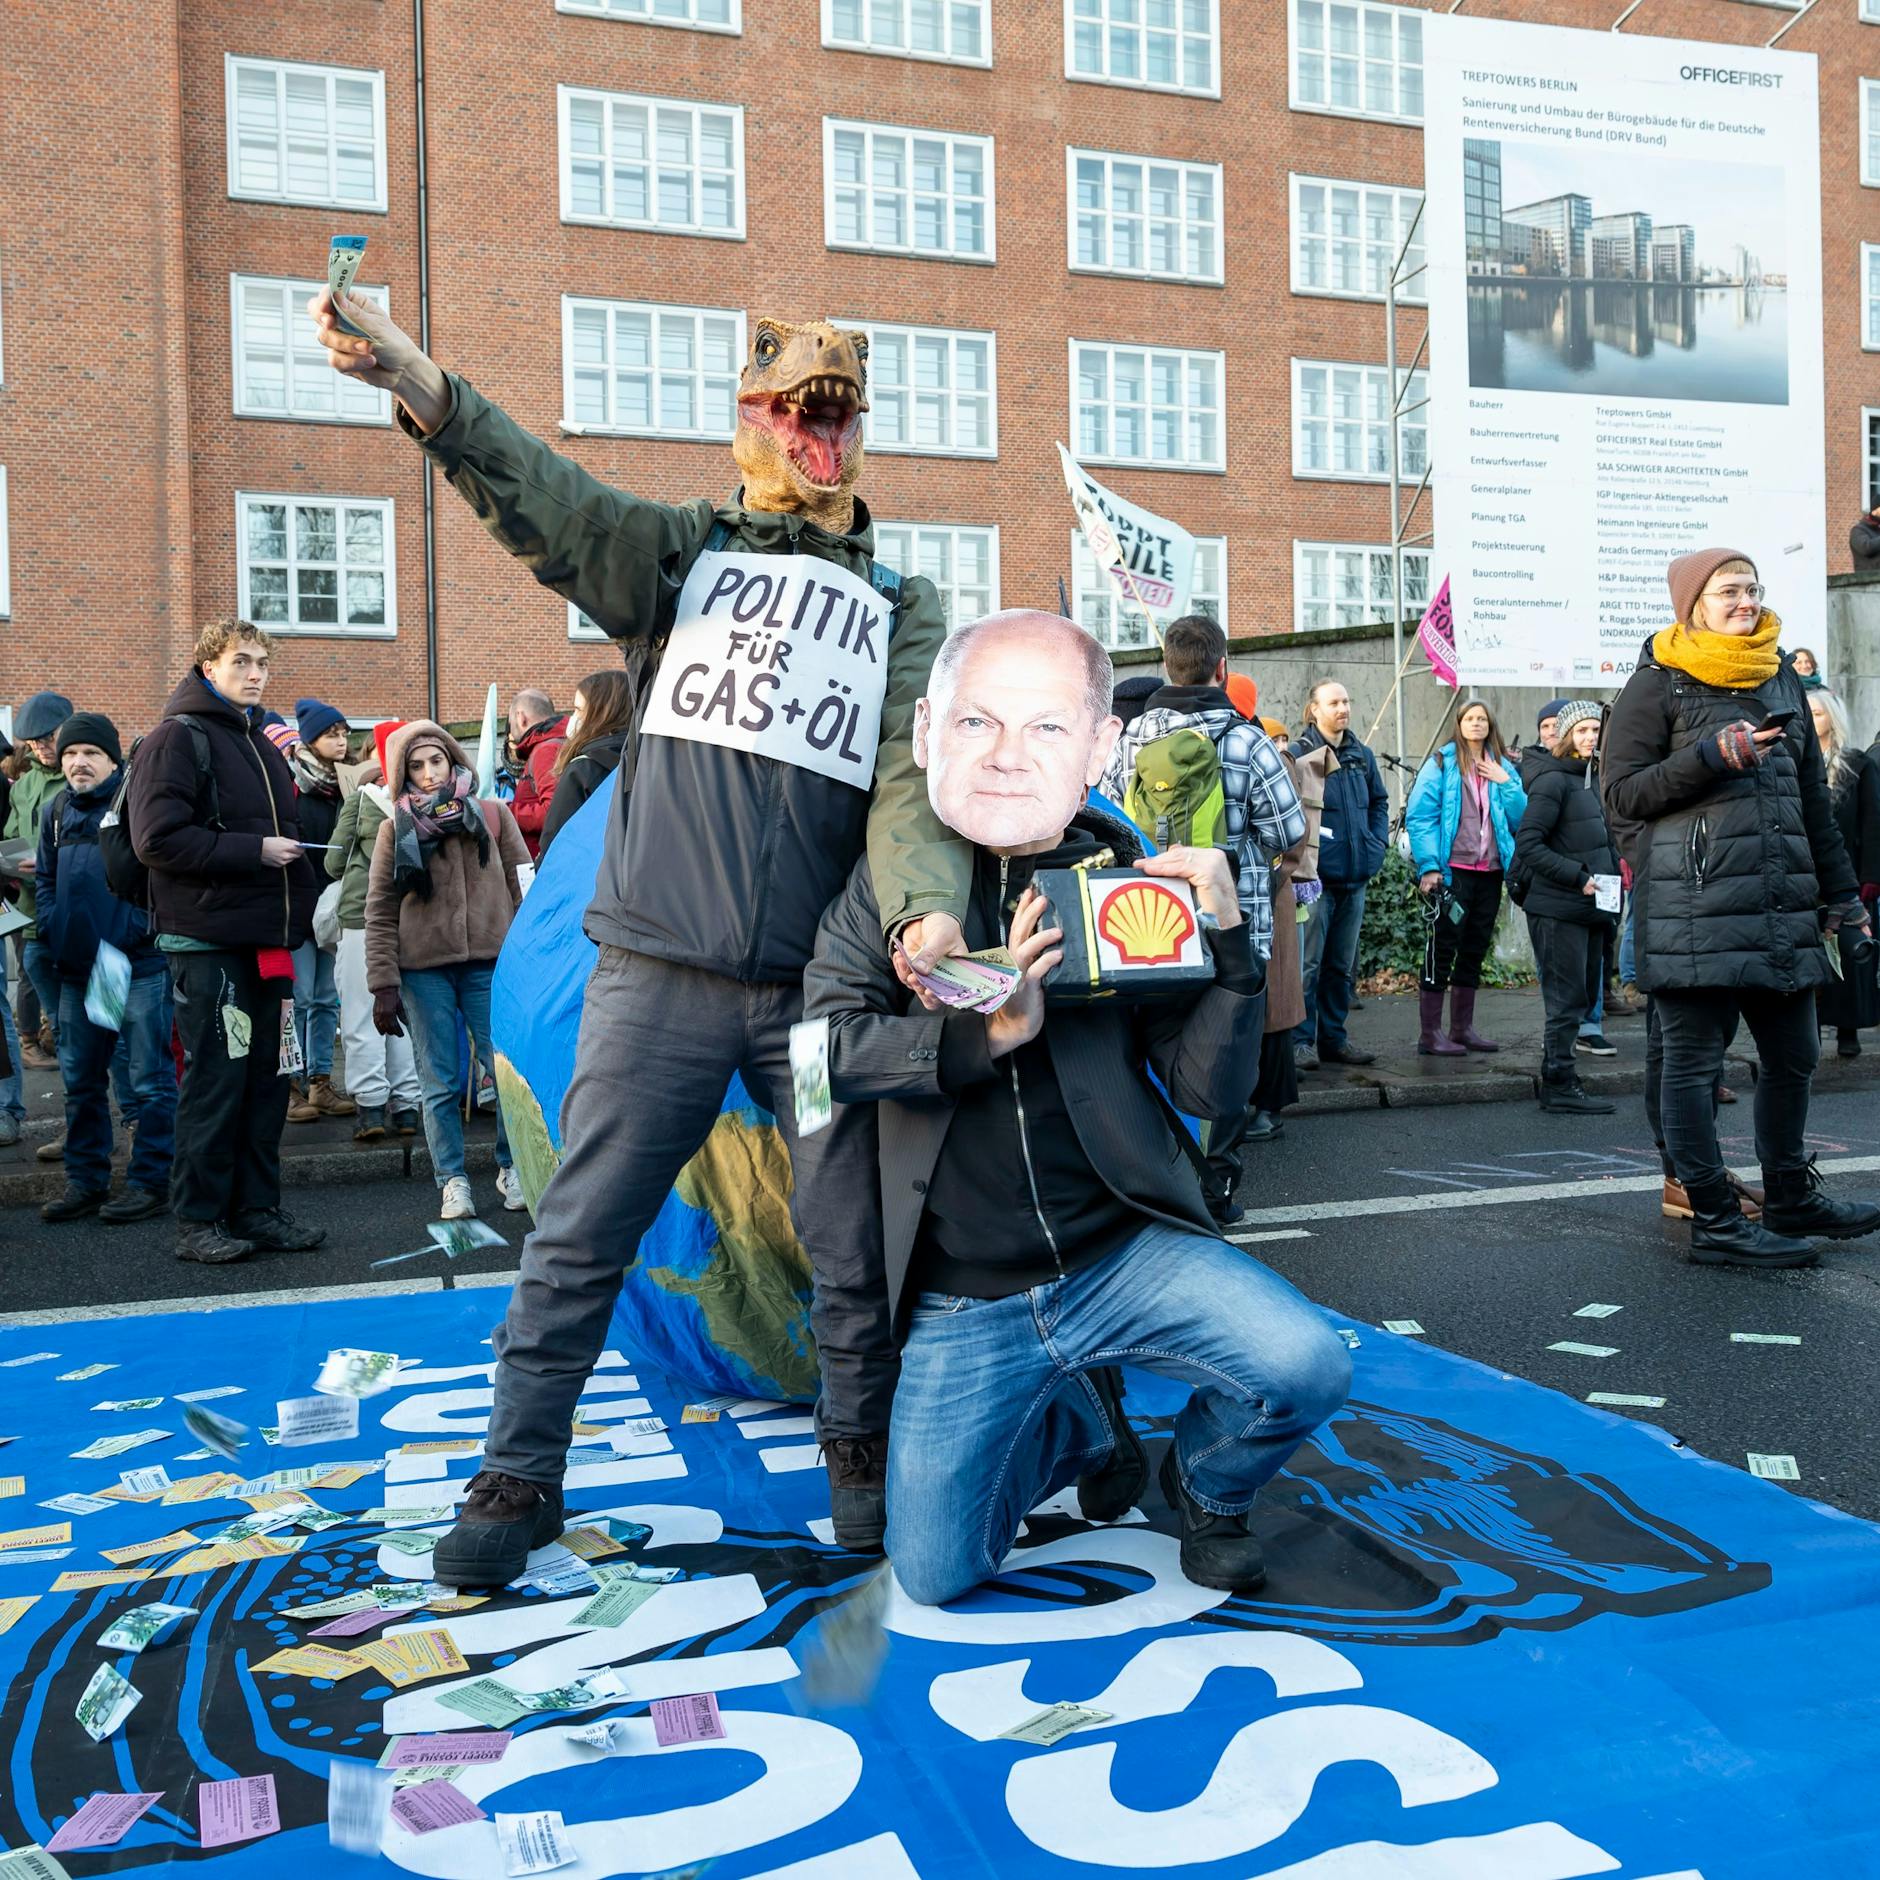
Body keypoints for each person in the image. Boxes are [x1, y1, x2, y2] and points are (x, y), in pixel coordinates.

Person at [312, 291, 970, 1570]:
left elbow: (905, 776)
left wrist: (921, 908)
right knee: (581, 1227)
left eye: (836, 400)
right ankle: (515, 1476)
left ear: (853, 428)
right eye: (794, 394)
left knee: (849, 1237)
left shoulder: (904, 603)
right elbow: (556, 507)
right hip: (655, 966)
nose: (818, 411)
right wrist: (428, 392)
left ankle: (860, 1451)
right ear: (751, 418)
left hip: (817, 997)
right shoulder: (678, 560)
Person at [804, 611, 1350, 1604]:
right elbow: (807, 1060)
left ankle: (1202, 1481)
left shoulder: (1119, 875)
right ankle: (1083, 1418)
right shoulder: (885, 891)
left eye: (1047, 727)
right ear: (930, 731)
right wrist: (986, 1026)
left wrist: (1229, 950)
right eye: (978, 724)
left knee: (1306, 1362)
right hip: (964, 1295)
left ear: (1099, 746)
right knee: (932, 1572)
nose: (1008, 756)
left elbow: (1202, 1095)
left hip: (1118, 1252)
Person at [1603, 546, 1879, 1268]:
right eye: (1730, 590)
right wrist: (1707, 758)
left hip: (1783, 904)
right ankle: (1716, 1220)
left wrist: (1844, 897)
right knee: (1694, 1068)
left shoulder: (1779, 672)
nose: (1745, 601)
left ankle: (1788, 1195)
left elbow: (1813, 801)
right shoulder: (1657, 684)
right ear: (1693, 601)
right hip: (1697, 910)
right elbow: (1623, 797)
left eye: (1752, 588)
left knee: (1794, 1055)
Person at [128, 620, 326, 1266]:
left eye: (263, 662)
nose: (256, 672)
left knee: (267, 1083)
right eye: (241, 661)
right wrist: (257, 851)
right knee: (215, 1085)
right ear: (207, 667)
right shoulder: (176, 739)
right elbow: (155, 840)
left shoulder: (260, 744)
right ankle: (199, 1220)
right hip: (210, 944)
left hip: (264, 943)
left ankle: (256, 1210)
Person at [1098, 614, 1305, 1221]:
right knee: (1223, 1059)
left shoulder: (1131, 740)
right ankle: (1217, 1186)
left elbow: (1107, 822)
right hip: (1232, 932)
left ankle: (1159, 1179)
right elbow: (1289, 831)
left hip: (1151, 929)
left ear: (1166, 666)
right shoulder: (1247, 739)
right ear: (1222, 669)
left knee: (1155, 1053)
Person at [364, 721, 530, 1221]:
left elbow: (526, 889)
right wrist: (383, 982)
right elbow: (379, 908)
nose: (430, 773)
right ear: (402, 775)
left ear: (454, 760)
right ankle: (452, 1180)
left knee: (508, 1076)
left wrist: (534, 960)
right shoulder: (396, 827)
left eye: (437, 760)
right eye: (416, 766)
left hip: (491, 964)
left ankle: (512, 1165)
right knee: (437, 1081)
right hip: (424, 970)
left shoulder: (494, 815)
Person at [33, 714, 177, 1223]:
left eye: (90, 754)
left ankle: (150, 1181)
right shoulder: (55, 812)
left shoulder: (135, 807)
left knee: (148, 1081)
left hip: (129, 967)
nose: (78, 763)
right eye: (71, 754)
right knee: (83, 1083)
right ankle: (86, 1180)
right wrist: (54, 928)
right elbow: (46, 881)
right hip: (78, 970)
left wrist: (127, 935)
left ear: (113, 761)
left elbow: (159, 881)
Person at [1512, 701, 1618, 1116]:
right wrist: (1578, 877)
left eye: (1596, 730)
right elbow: (1529, 845)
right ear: (1566, 736)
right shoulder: (1553, 782)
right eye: (1583, 731)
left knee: (1582, 996)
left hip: (1593, 909)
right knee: (1565, 1000)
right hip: (1559, 909)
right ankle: (1558, 1082)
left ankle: (1562, 1077)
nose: (1591, 737)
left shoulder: (1591, 779)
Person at [1406, 697, 1528, 1056]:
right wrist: (1429, 866)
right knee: (1441, 948)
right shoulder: (1442, 762)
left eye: (1482, 718)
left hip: (1490, 871)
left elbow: (1521, 818)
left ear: (1491, 725)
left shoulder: (1501, 765)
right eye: (1470, 718)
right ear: (1459, 724)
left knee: (1474, 948)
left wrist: (1506, 781)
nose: (1476, 723)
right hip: (1451, 873)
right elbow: (1420, 816)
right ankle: (1430, 1034)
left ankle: (1462, 1029)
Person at [327, 723, 423, 1144]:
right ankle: (407, 1106)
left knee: (361, 1015)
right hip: (414, 919)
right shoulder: (428, 800)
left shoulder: (361, 799)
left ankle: (369, 1108)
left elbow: (333, 864)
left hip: (361, 918)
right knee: (406, 1013)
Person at [1291, 679, 1390, 1070]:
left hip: (1355, 878)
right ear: (1314, 709)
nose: (1342, 709)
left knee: (1339, 967)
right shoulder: (1300, 755)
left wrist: (1375, 844)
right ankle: (1301, 1042)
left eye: (1346, 701)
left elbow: (1379, 802)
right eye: (1333, 702)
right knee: (1308, 966)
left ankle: (1333, 1039)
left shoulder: (1361, 756)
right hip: (1316, 882)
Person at [1251, 733, 1338, 1143]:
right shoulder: (1263, 750)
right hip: (1269, 891)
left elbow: (1292, 831)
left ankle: (1268, 1107)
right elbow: (1291, 830)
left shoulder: (1267, 752)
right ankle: (1265, 1106)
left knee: (1274, 1008)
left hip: (1267, 892)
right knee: (1272, 1007)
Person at [284, 698, 357, 1124]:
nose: (342, 740)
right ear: (311, 739)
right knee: (299, 998)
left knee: (327, 1000)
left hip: (332, 909)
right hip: (298, 906)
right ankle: (291, 1085)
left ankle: (321, 1081)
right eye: (333, 733)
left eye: (345, 733)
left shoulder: (346, 786)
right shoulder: (292, 783)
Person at [4, 690, 76, 1072]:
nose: (42, 747)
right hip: (33, 914)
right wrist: (10, 860)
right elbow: (13, 833)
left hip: (74, 911)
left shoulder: (82, 773)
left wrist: (47, 862)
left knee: (84, 1012)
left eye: (48, 738)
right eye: (33, 742)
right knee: (57, 1011)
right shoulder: (27, 784)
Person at [1808, 687, 1880, 1059]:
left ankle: (1848, 1029)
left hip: (1847, 874)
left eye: (1817, 713)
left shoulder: (1857, 764)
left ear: (1831, 718)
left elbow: (1872, 822)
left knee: (1849, 955)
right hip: (1806, 878)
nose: (1810, 719)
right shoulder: (1796, 761)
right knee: (1813, 957)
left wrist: (1870, 876)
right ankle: (1812, 1028)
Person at [537, 671, 634, 857]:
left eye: (578, 710)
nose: (572, 718)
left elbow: (554, 841)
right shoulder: (644, 764)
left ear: (602, 715)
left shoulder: (582, 769)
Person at [505, 690, 568, 859]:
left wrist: (505, 811)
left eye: (510, 722)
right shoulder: (554, 744)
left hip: (542, 864)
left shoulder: (546, 750)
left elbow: (552, 812)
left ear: (520, 717)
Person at [1521, 699, 1568, 782]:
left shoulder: (1591, 764)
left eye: (1557, 725)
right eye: (1545, 726)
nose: (1551, 732)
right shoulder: (1526, 767)